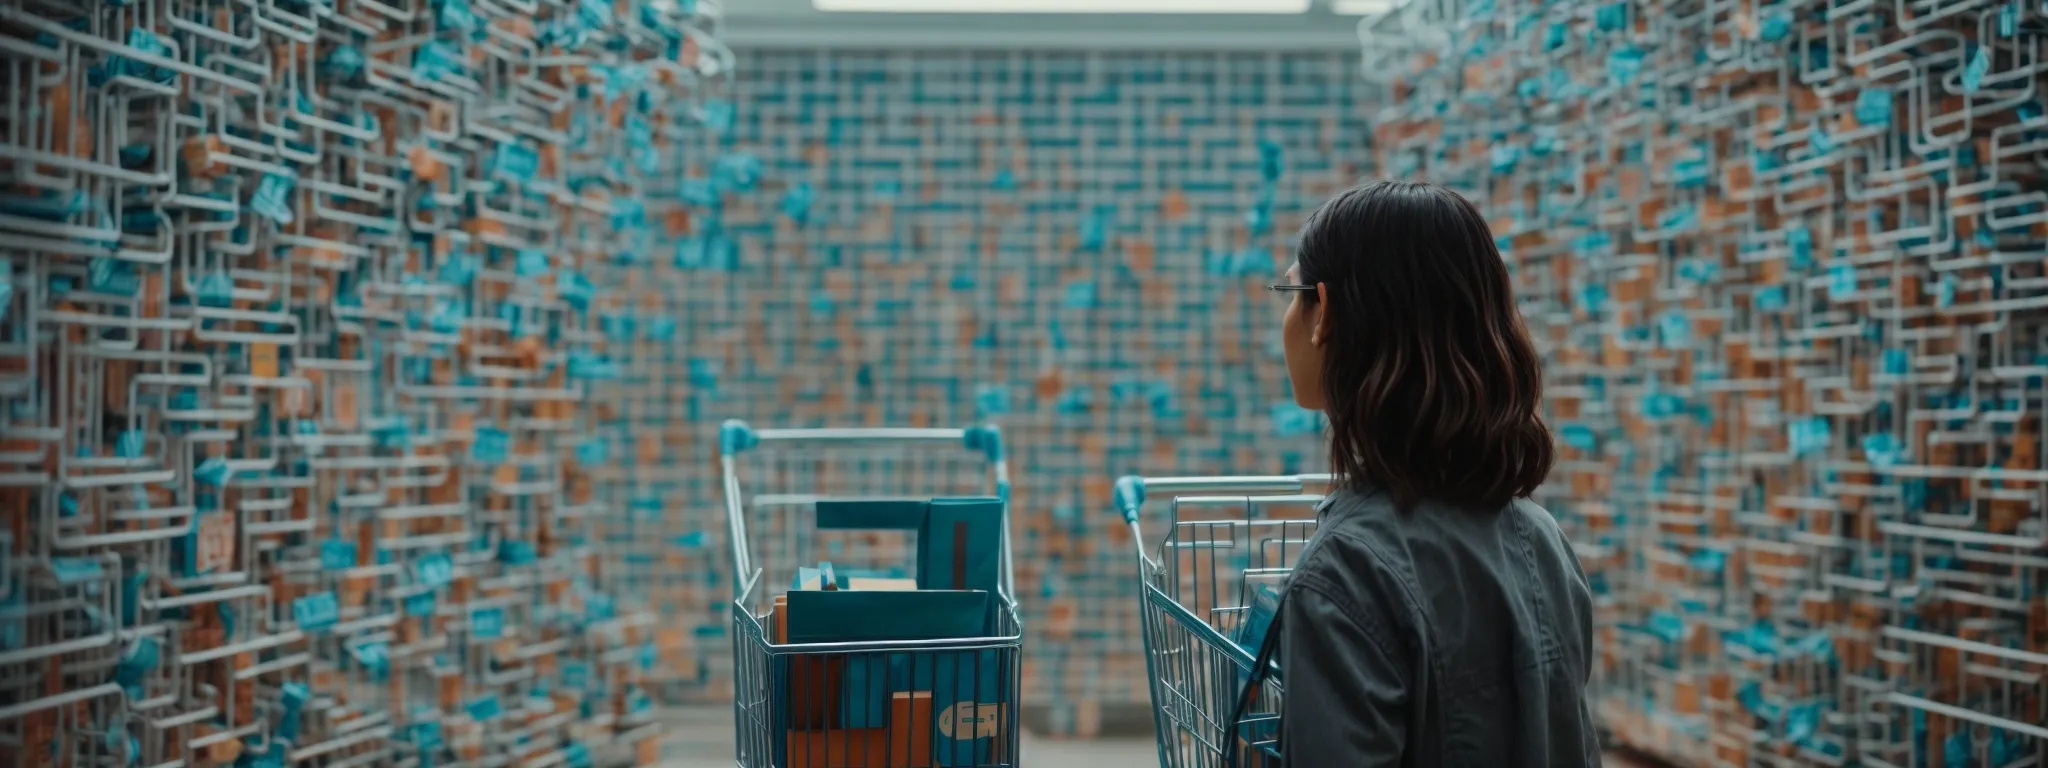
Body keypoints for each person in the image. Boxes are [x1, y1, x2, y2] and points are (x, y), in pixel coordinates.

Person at [1244, 180, 1600, 766]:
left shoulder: (1344, 573)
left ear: (1323, 312)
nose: (1286, 315)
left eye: (1292, 290)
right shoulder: (1542, 540)